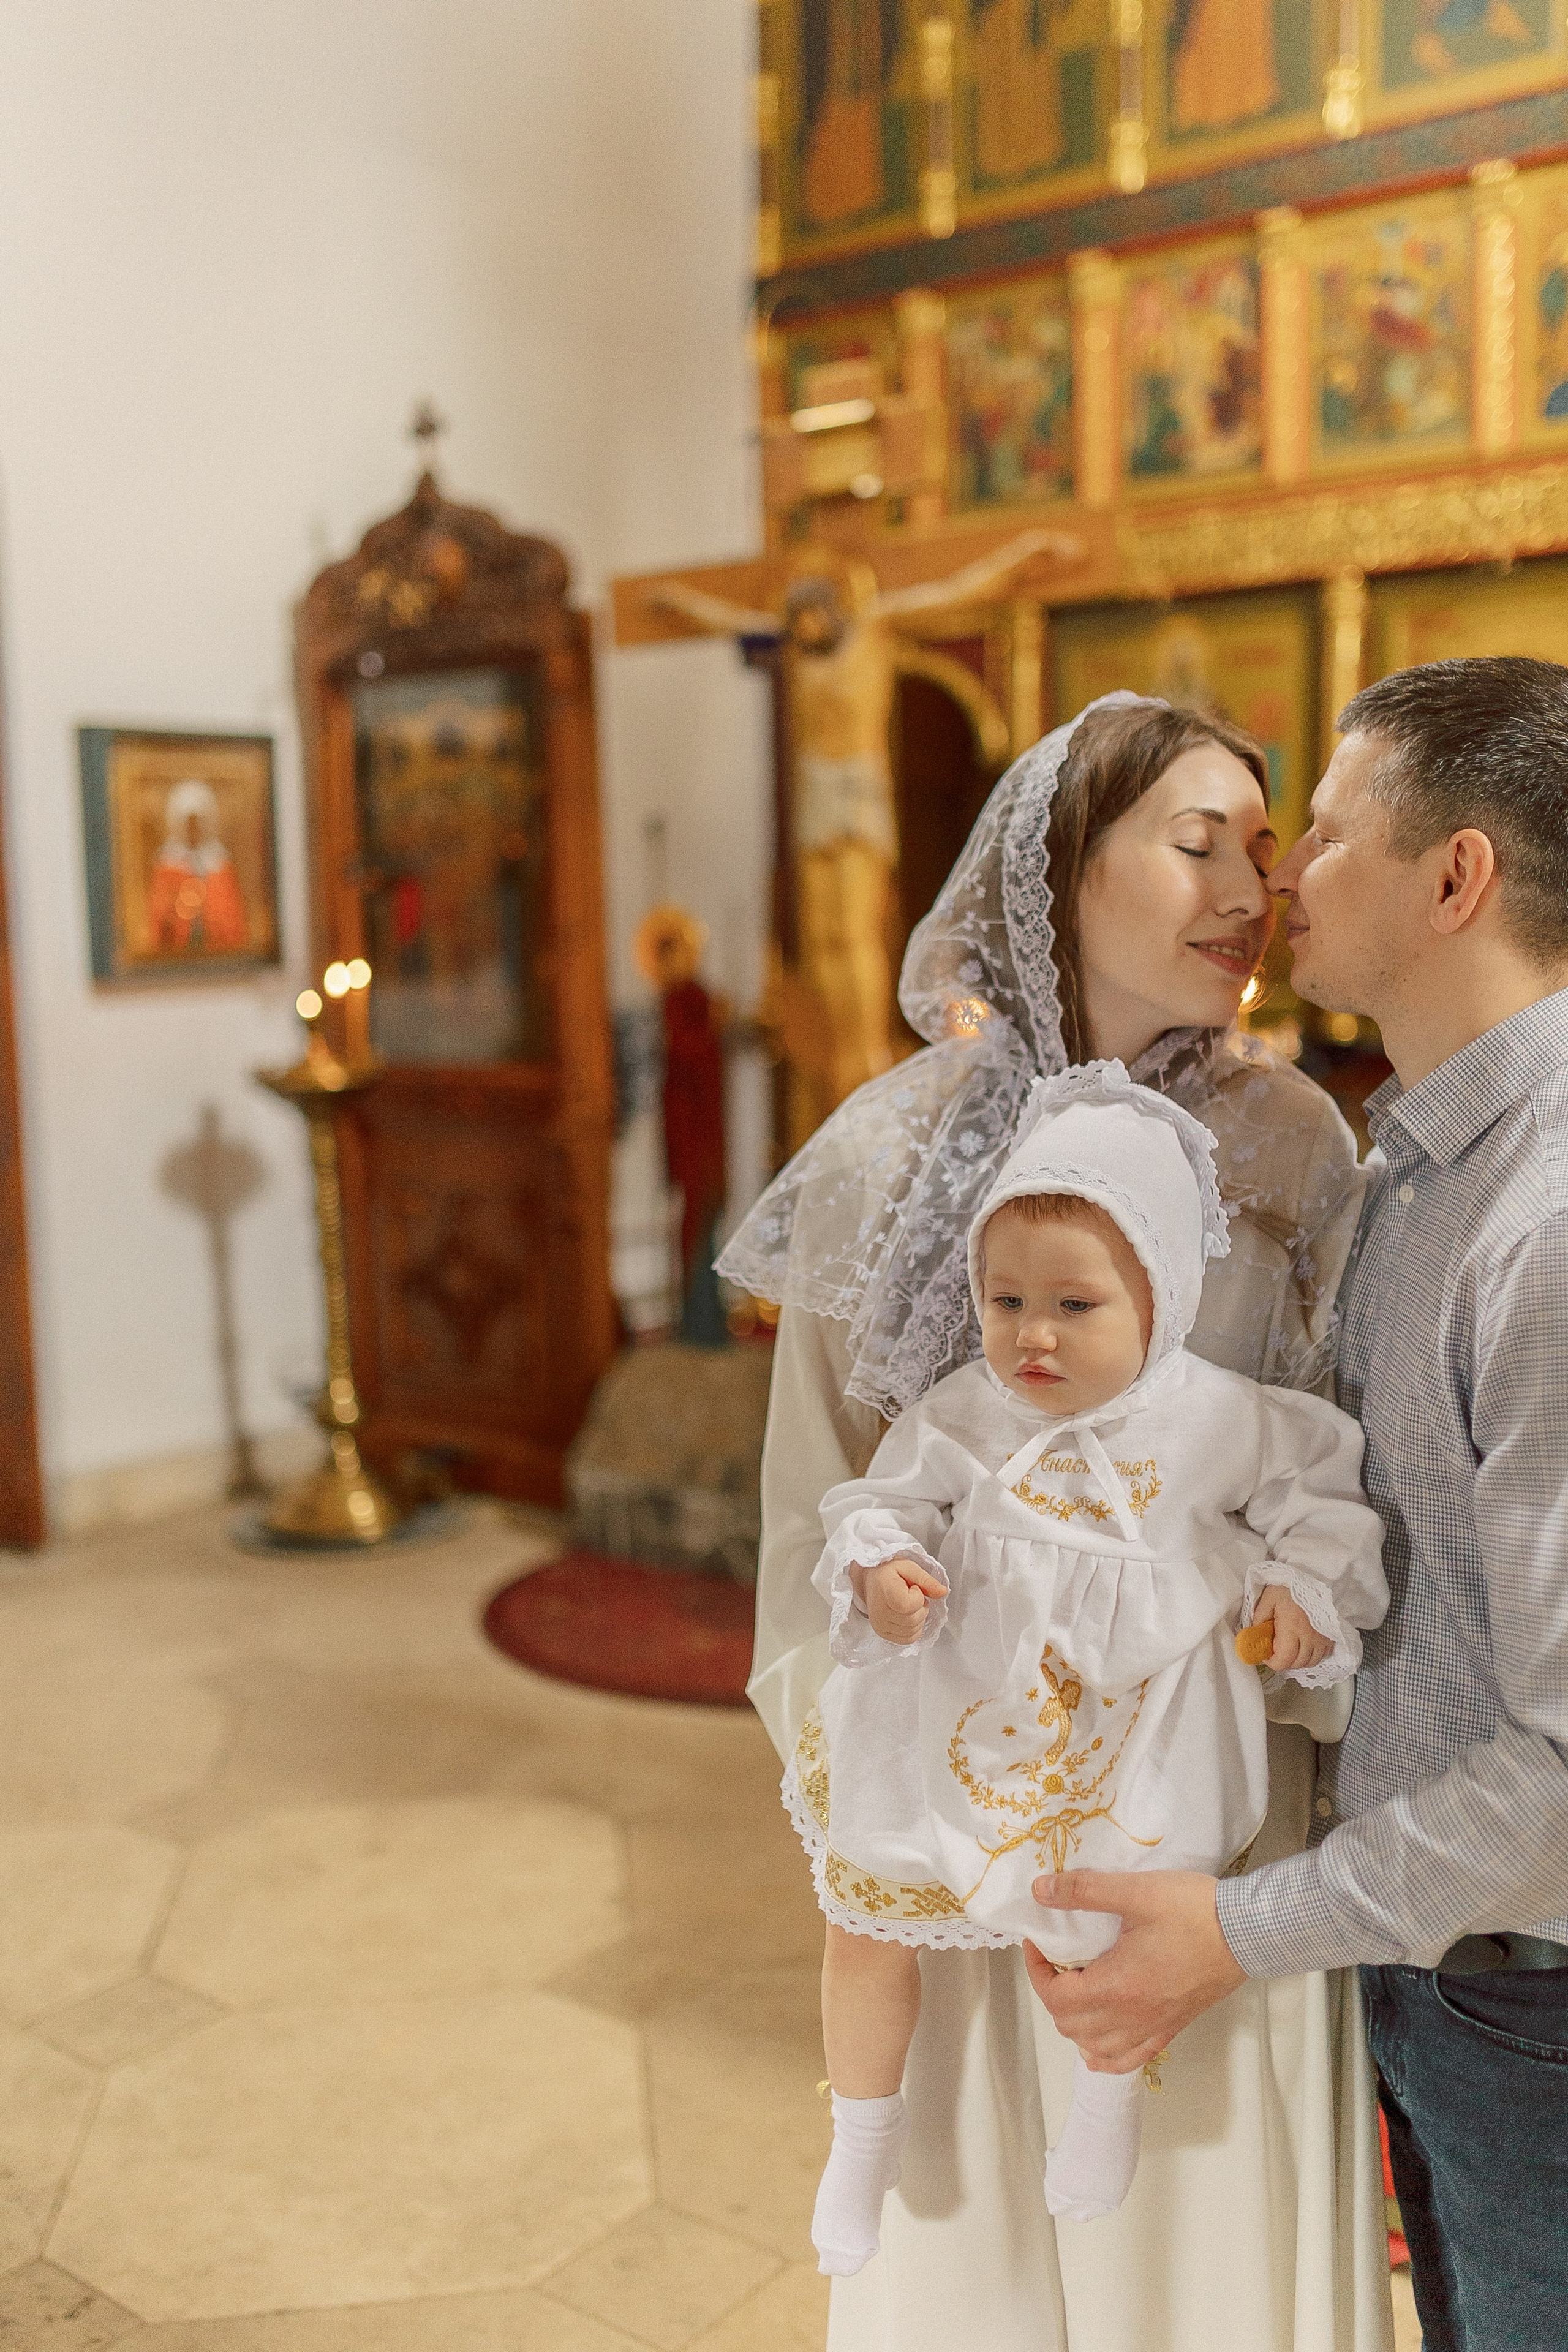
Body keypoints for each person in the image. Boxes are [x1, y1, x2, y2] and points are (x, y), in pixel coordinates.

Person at [720, 692, 1395, 2352]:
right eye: (1195, 843)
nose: (1254, 886)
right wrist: (898, 1815)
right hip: (959, 1833)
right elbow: (817, 1503)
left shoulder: (1297, 1144)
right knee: (976, 2265)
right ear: (1058, 866)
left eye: (1263, 842)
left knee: (1198, 2271)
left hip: (1200, 1838)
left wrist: (1265, 1761)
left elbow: (1332, 1476)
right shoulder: (893, 1151)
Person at [1029, 656, 1568, 2352]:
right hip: (1439, 1962)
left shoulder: (1545, 1214)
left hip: (1531, 1999)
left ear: (1455, 876)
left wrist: (1238, 1931)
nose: (1278, 882)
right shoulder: (1421, 1152)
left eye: (1321, 835)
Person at [793, 1067, 1387, 2276]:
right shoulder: (967, 1410)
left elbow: (1323, 1502)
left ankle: (1106, 2103)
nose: (1033, 1335)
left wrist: (1298, 1601)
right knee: (863, 1913)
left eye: (1075, 1303)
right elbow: (878, 1503)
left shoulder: (1218, 1417)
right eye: (1003, 1299)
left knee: (1102, 1931)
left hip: (1129, 1726)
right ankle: (862, 2129)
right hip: (959, 1698)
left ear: (1160, 1301)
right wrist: (884, 1571)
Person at [147, 778, 247, 955]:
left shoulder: (219, 863)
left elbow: (231, 916)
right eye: (188, 823)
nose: (193, 829)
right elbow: (159, 916)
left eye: (198, 822)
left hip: (216, 951)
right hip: (177, 952)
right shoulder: (168, 864)